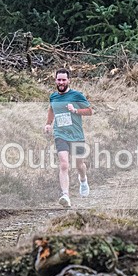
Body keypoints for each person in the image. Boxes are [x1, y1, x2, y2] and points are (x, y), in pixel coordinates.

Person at [43, 68, 93, 208]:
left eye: (64, 79)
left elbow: (90, 111)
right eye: (59, 79)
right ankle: (65, 195)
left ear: (69, 80)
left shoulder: (77, 95)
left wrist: (75, 110)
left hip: (76, 135)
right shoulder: (53, 97)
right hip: (60, 134)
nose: (61, 82)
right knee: (64, 164)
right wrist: (48, 124)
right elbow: (52, 109)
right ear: (55, 80)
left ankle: (83, 180)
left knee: (79, 165)